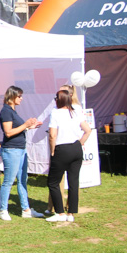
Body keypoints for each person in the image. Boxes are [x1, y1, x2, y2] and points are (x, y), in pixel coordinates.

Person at [0, 86, 43, 221]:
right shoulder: (6, 111)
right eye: (19, 96)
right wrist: (25, 125)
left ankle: (26, 209)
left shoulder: (13, 111)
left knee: (23, 180)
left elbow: (17, 130)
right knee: (8, 181)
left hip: (20, 149)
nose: (21, 98)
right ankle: (3, 210)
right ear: (12, 96)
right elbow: (9, 132)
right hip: (11, 150)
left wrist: (30, 127)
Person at [46, 89, 92, 222]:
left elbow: (52, 135)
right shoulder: (76, 110)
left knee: (53, 182)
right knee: (73, 182)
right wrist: (80, 144)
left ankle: (60, 213)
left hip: (62, 148)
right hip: (76, 148)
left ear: (58, 100)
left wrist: (52, 151)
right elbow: (87, 130)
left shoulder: (55, 112)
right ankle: (71, 213)